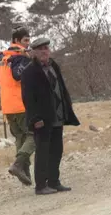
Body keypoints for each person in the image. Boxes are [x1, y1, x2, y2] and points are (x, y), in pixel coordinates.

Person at [21, 38, 80, 195]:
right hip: (42, 119)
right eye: (40, 49)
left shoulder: (54, 65)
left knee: (57, 150)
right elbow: (27, 98)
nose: (44, 51)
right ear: (33, 52)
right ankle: (40, 186)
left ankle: (54, 181)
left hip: (58, 115)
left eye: (46, 48)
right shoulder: (29, 71)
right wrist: (35, 119)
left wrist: (68, 106)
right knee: (42, 151)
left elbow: (61, 88)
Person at [0, 26, 35, 186]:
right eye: (25, 40)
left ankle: (24, 172)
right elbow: (19, 76)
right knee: (34, 135)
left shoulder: (1, 59)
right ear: (16, 41)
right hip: (21, 104)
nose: (27, 43)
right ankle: (18, 165)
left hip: (6, 106)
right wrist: (30, 62)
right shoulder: (20, 57)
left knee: (20, 137)